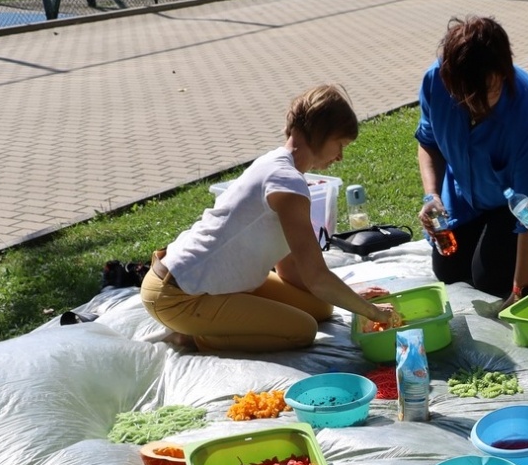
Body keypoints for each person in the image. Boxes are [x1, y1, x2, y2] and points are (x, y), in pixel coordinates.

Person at [140, 85, 397, 352]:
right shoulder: (288, 184)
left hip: (200, 283)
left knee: (321, 307)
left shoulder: (275, 164)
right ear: (322, 134)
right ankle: (193, 335)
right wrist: (371, 311)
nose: (340, 156)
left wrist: (351, 298)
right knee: (301, 330)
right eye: (340, 145)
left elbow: (289, 268)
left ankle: (210, 322)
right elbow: (316, 277)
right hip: (178, 296)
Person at [415, 16, 528, 301]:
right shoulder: (434, 81)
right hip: (466, 198)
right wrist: (432, 196)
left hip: (519, 205)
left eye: (489, 91)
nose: (476, 104)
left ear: (504, 73)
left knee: (491, 279)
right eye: (465, 95)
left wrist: (519, 292)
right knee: (448, 269)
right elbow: (428, 143)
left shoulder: (527, 103)